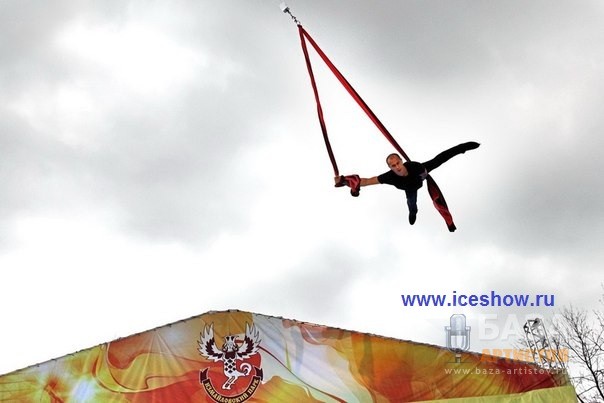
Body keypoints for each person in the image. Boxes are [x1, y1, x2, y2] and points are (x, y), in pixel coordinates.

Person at [335, 141, 480, 226]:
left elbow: (442, 158)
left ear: (401, 161)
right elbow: (367, 181)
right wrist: (344, 181)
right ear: (390, 168)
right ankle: (413, 213)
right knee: (411, 204)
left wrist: (464, 147)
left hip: (419, 177)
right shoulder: (389, 177)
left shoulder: (414, 166)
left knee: (439, 159)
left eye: (398, 163)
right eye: (393, 166)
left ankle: (464, 147)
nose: (397, 167)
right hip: (410, 189)